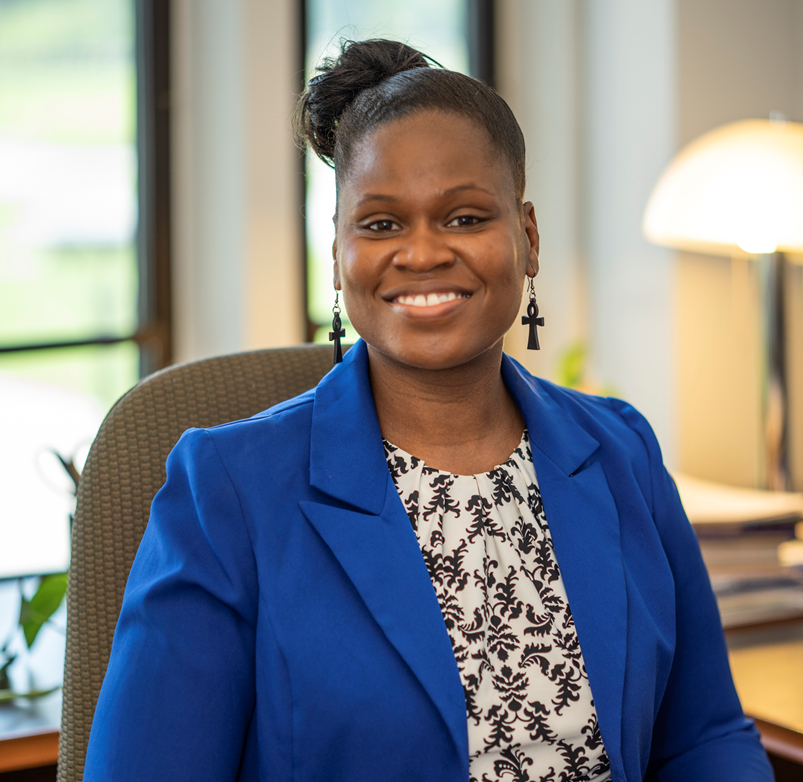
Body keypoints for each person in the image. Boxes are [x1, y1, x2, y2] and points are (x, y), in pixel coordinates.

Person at [84, 39, 773, 782]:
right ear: (341, 253)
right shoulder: (226, 489)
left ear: (527, 237)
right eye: (380, 224)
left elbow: (703, 737)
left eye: (464, 217)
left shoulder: (620, 451)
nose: (420, 254)